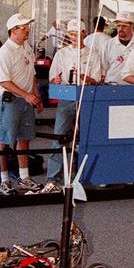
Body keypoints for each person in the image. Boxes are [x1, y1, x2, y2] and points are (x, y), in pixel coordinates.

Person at [45, 19, 105, 186]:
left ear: (84, 34)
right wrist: (55, 80)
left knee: (85, 137)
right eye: (71, 34)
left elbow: (97, 79)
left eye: (77, 34)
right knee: (60, 136)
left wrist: (87, 79)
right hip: (66, 98)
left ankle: (82, 175)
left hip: (85, 99)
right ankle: (53, 176)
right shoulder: (61, 53)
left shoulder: (93, 54)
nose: (73, 37)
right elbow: (52, 78)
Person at [0, 11, 43, 195]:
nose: (28, 30)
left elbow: (32, 74)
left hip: (25, 100)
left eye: (28, 27)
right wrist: (27, 95)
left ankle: (24, 178)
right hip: (9, 101)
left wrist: (35, 96)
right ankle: (3, 180)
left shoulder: (26, 47)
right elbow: (4, 82)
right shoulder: (4, 52)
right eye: (24, 28)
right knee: (4, 140)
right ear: (13, 30)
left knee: (24, 138)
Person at [104, 10, 134, 83]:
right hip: (112, 87)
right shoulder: (108, 44)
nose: (121, 28)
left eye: (124, 26)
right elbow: (102, 68)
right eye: (118, 25)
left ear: (132, 26)